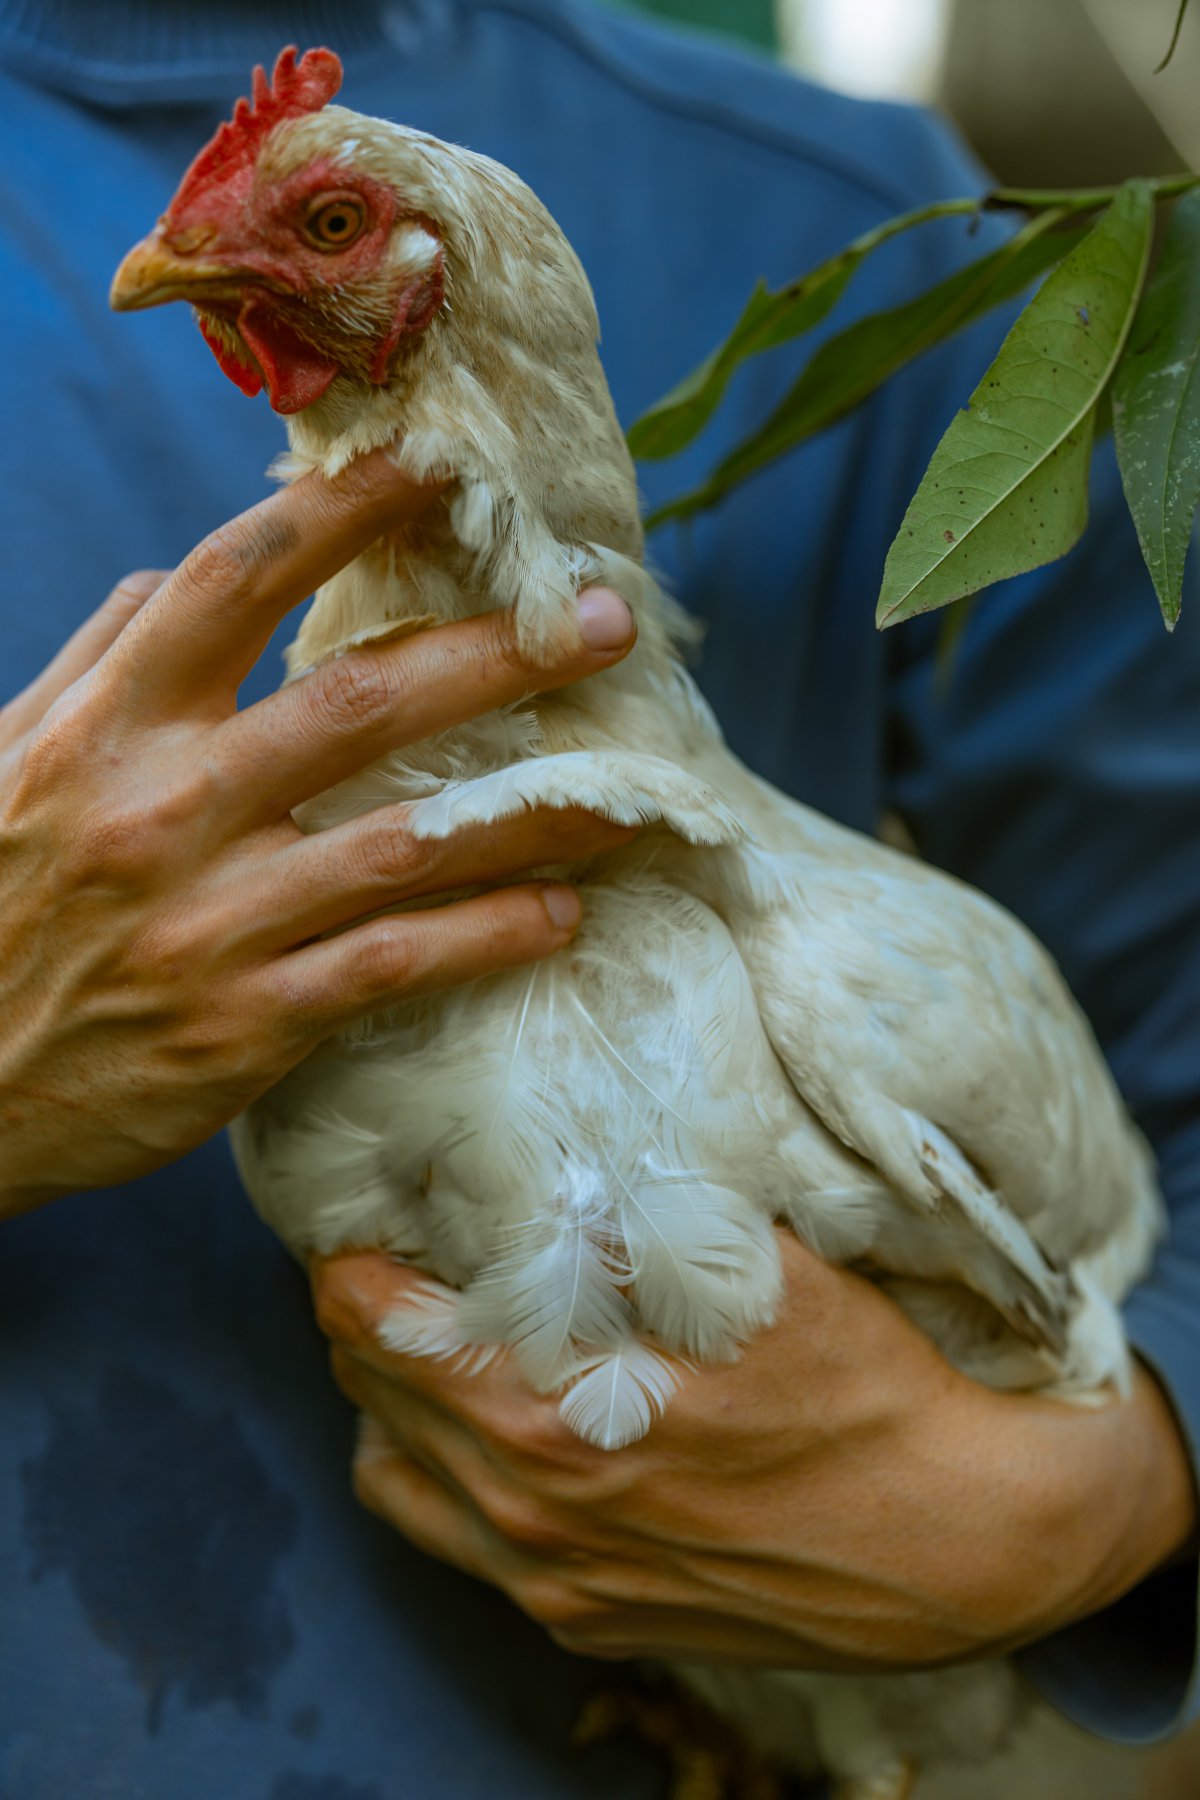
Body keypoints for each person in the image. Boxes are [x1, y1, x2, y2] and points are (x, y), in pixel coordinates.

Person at [1, 1, 1197, 1794]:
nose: (184, 255)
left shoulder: (862, 222)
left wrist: (1104, 1498)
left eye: (321, 223)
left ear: (423, 284)